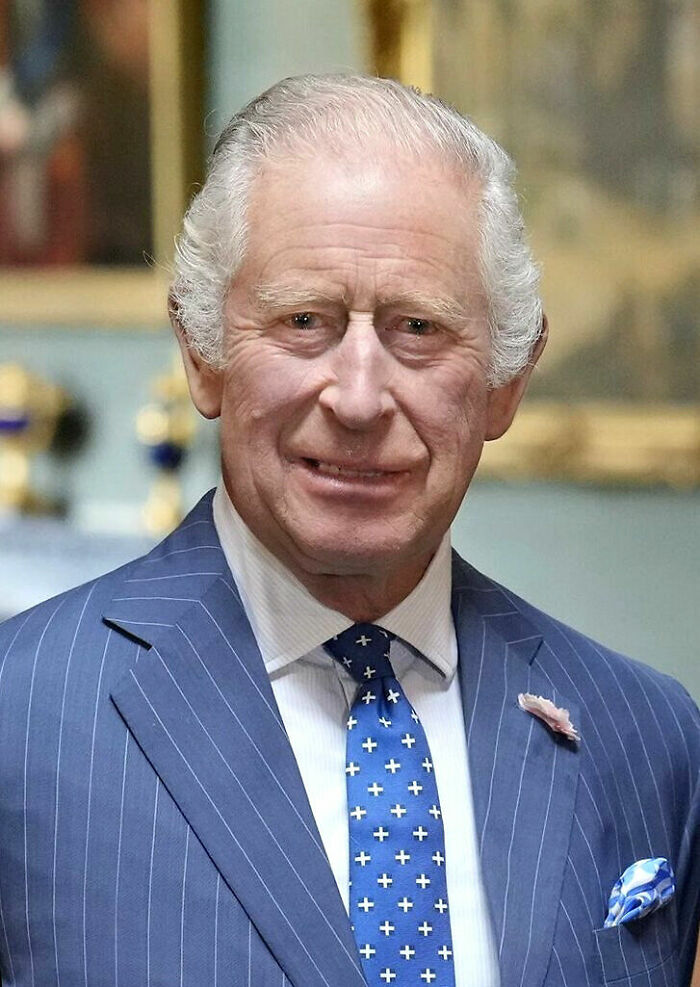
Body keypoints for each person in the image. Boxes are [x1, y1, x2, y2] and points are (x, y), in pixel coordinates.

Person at [0, 74, 697, 987]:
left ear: (506, 383)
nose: (360, 398)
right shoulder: (22, 718)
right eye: (304, 321)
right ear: (203, 354)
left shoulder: (645, 737)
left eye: (419, 327)